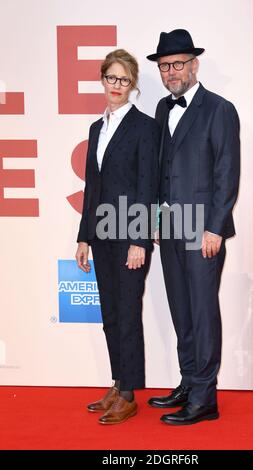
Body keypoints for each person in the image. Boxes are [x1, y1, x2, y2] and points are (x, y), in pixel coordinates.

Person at [146, 29, 240, 425]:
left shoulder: (219, 109)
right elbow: (160, 171)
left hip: (203, 231)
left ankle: (206, 398)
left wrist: (215, 228)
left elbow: (226, 172)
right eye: (165, 66)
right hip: (170, 228)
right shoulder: (162, 109)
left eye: (178, 64)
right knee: (182, 311)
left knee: (202, 314)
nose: (171, 72)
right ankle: (189, 382)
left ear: (194, 65)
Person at [75, 49, 159, 425]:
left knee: (127, 313)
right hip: (101, 235)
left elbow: (147, 186)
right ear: (102, 79)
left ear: (133, 84)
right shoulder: (97, 128)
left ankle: (128, 394)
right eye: (111, 77)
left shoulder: (144, 128)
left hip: (129, 238)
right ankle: (118, 380)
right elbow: (92, 186)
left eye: (124, 80)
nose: (117, 86)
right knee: (110, 314)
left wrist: (139, 240)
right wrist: (83, 237)